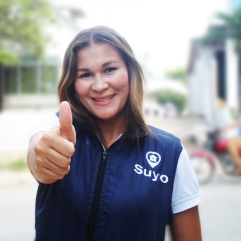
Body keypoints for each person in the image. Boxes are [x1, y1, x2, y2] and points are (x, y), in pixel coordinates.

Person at [27, 26, 201, 241]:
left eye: (109, 69)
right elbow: (39, 152)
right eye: (86, 74)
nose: (99, 85)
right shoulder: (56, 129)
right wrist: (43, 162)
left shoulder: (170, 152)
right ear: (73, 83)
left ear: (130, 72)